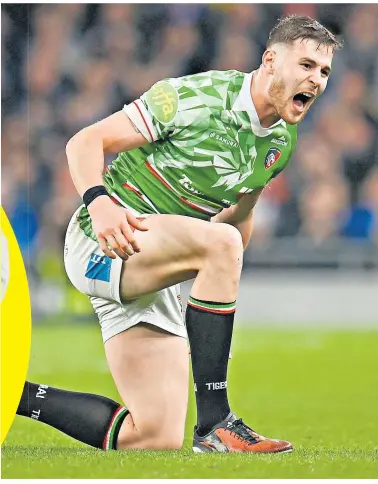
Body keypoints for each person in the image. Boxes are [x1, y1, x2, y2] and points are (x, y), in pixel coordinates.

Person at [16, 15, 341, 453]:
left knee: (154, 437)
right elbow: (84, 142)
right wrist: (99, 201)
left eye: (323, 72)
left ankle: (12, 393)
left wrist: (222, 266)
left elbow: (238, 219)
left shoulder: (281, 141)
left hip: (156, 270)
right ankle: (216, 424)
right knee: (220, 245)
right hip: (104, 239)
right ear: (269, 60)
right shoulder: (195, 97)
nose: (316, 80)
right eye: (306, 65)